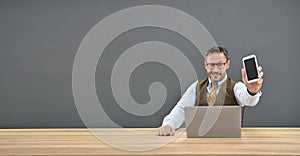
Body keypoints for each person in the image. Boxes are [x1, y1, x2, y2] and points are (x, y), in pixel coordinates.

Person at [157, 46, 264, 136]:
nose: (216, 70)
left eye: (220, 64)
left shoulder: (236, 87)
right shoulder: (196, 87)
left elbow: (248, 100)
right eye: (211, 65)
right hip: (200, 145)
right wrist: (168, 124)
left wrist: (252, 91)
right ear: (205, 65)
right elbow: (181, 109)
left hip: (231, 145)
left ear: (227, 64)